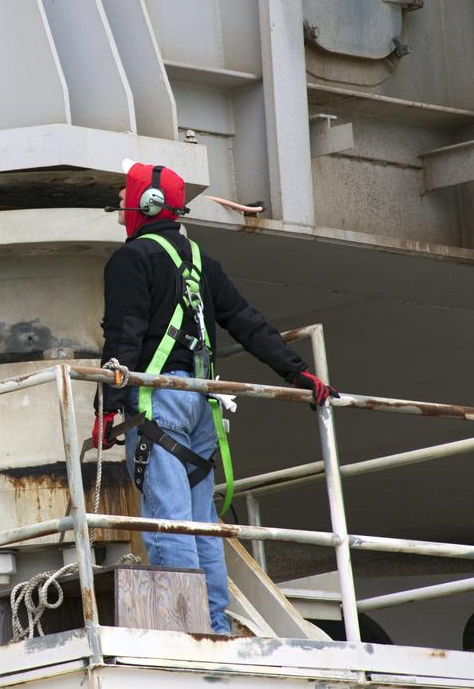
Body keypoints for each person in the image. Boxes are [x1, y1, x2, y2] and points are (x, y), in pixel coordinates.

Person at [92, 160, 338, 635]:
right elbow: (245, 320)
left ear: (142, 206)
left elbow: (124, 338)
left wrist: (106, 408)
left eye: (128, 204)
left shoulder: (132, 259)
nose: (123, 214)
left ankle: (184, 628)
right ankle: (217, 624)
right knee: (202, 521)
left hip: (156, 403)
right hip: (203, 404)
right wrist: (299, 372)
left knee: (170, 520)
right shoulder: (202, 262)